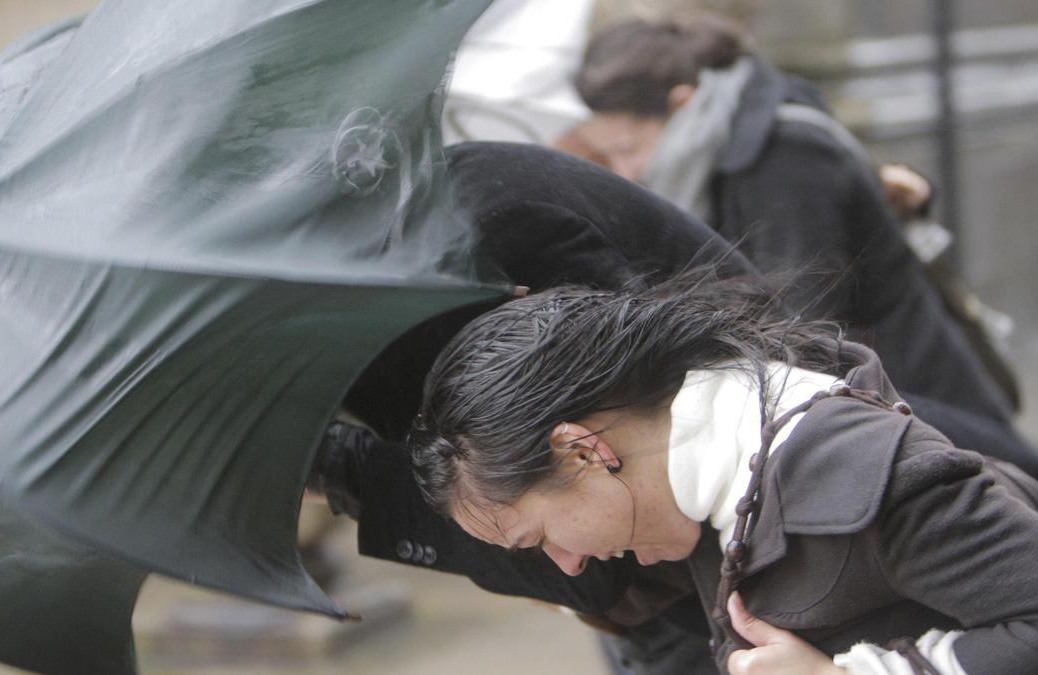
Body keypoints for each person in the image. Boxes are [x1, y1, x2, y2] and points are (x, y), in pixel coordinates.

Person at [407, 278, 1038, 675]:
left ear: (581, 451)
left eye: (540, 536)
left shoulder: (872, 474)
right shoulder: (706, 482)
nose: (567, 562)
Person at [554, 13, 1019, 425]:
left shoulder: (783, 156)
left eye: (629, 149)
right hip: (882, 406)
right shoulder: (727, 142)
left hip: (919, 411)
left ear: (681, 102)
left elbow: (805, 321)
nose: (629, 171)